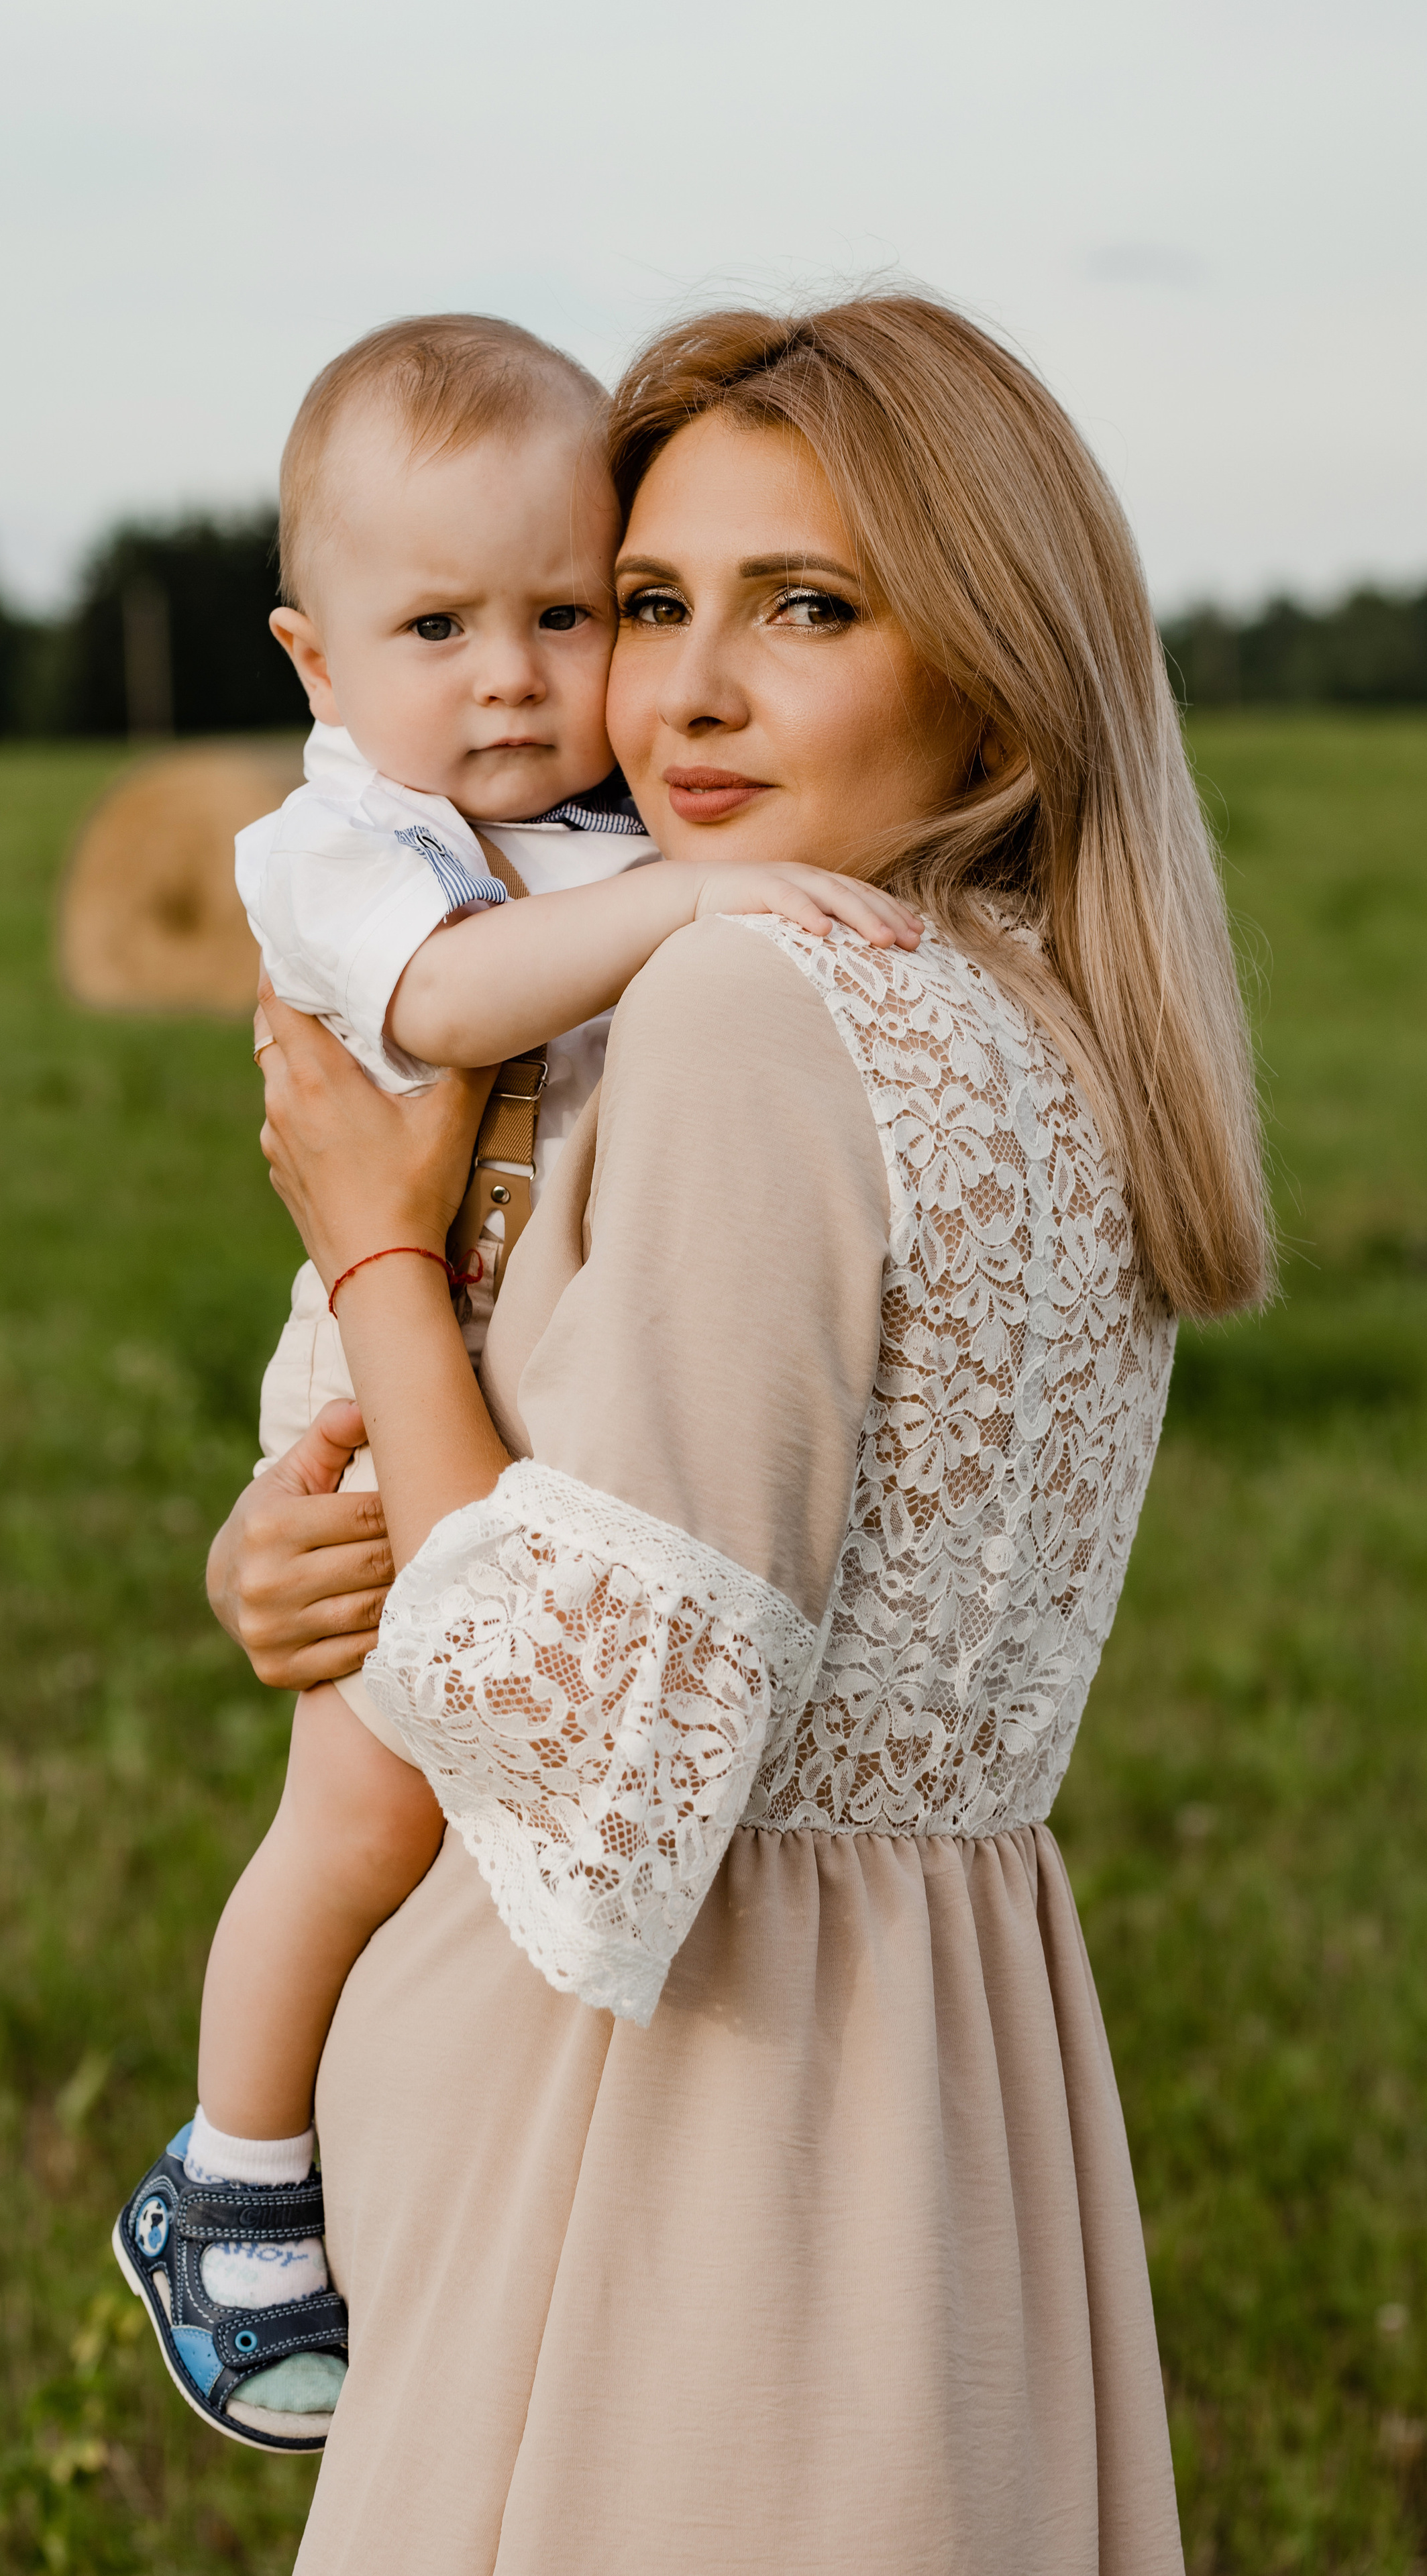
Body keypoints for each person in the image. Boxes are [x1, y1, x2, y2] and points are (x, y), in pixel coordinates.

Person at [215, 290, 1272, 2573]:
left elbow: (607, 1775)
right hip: (960, 2072)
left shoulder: (743, 1009)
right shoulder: (1039, 1027)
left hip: (661, 2109)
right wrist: (314, 1537)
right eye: (653, 604)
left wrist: (380, 1255)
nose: (677, 692)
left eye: (805, 608)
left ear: (993, 658)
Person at [111, 313, 921, 2453]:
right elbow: (455, 1000)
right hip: (384, 1374)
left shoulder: (588, 815)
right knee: (362, 1804)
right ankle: (228, 2171)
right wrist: (721, 890)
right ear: (313, 661)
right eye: (438, 625)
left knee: (431, 1802)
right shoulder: (342, 843)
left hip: (494, 1352)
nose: (512, 675)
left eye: (568, 613)